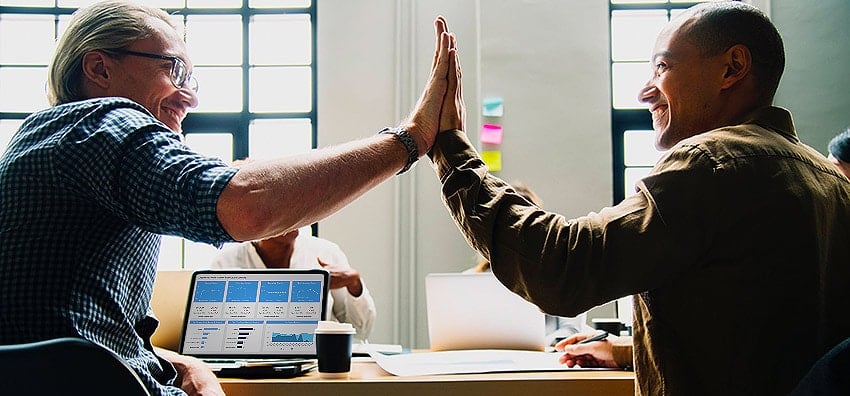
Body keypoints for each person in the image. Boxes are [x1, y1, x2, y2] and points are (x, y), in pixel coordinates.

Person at [0, 1, 455, 394]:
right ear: (100, 69)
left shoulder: (38, 141)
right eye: (172, 69)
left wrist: (181, 362)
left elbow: (73, 327)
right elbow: (250, 203)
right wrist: (410, 139)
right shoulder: (106, 124)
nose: (189, 97)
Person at [429, 3, 850, 395]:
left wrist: (450, 148)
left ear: (732, 68)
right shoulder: (831, 182)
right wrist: (623, 353)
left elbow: (564, 265)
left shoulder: (711, 162)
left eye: (662, 67)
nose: (645, 92)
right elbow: (770, 339)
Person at [211, 227, 377, 341]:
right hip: (249, 371)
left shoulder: (325, 252)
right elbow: (218, 336)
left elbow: (361, 331)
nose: (294, 218)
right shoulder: (226, 263)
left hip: (316, 371)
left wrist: (354, 284)